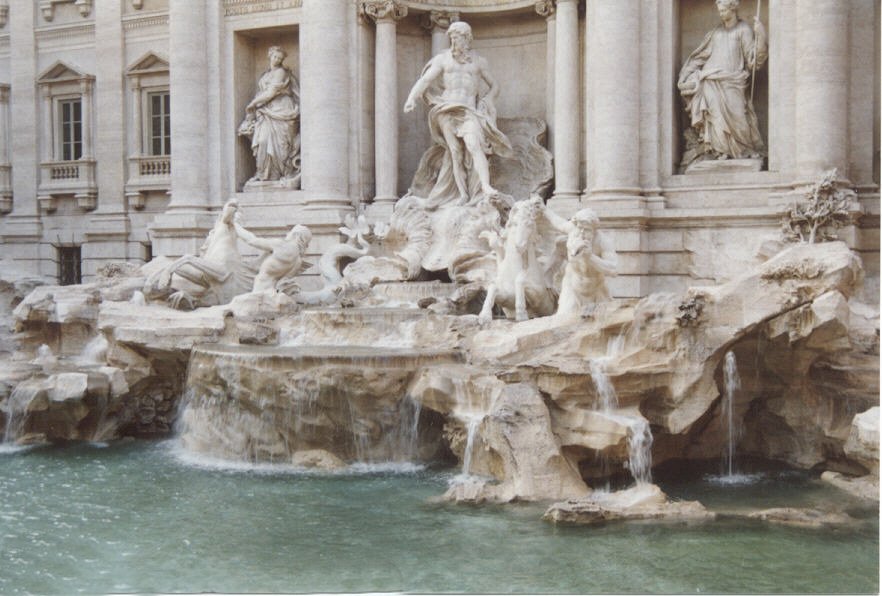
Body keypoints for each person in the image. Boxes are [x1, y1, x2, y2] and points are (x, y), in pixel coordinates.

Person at [404, 21, 513, 209]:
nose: (455, 42)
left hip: (469, 110)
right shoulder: (443, 60)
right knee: (455, 152)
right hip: (446, 108)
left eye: (459, 38)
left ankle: (485, 186)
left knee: (474, 144)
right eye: (452, 38)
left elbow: (495, 86)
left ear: (467, 38)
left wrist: (487, 101)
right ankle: (462, 194)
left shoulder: (479, 62)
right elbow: (425, 80)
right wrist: (411, 98)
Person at [677, 0, 767, 169]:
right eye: (719, 10)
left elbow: (753, 60)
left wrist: (760, 37)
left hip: (734, 81)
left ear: (733, 9)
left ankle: (744, 150)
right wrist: (686, 75)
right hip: (710, 80)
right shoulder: (715, 33)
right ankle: (720, 152)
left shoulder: (744, 30)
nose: (721, 14)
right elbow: (700, 57)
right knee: (716, 118)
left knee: (740, 117)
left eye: (724, 10)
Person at [238, 46, 301, 186]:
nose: (277, 60)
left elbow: (271, 92)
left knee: (281, 144)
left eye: (280, 58)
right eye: (275, 57)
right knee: (262, 140)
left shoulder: (281, 72)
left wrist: (253, 104)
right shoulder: (265, 75)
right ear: (269, 56)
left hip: (282, 109)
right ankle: (262, 174)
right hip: (266, 111)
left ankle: (279, 174)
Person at [543, 205, 617, 318]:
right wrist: (544, 209)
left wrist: (591, 257)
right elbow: (557, 222)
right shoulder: (573, 231)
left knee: (602, 327)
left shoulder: (603, 242)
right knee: (563, 321)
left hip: (597, 289)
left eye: (586, 230)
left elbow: (613, 270)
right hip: (572, 287)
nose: (581, 233)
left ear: (594, 230)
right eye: (579, 228)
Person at [236, 223, 312, 293]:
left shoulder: (282, 245)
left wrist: (235, 225)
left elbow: (251, 240)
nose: (287, 234)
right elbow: (284, 281)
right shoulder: (298, 261)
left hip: (260, 292)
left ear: (296, 235)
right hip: (272, 292)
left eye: (290, 232)